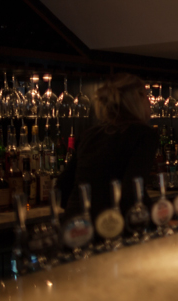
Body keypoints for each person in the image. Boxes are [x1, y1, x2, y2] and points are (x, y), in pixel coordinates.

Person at [56, 73, 159, 217]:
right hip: (111, 224)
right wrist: (159, 218)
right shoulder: (143, 134)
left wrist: (82, 211)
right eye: (146, 95)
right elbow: (133, 192)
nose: (149, 101)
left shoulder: (90, 134)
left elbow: (61, 187)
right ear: (138, 98)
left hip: (77, 226)